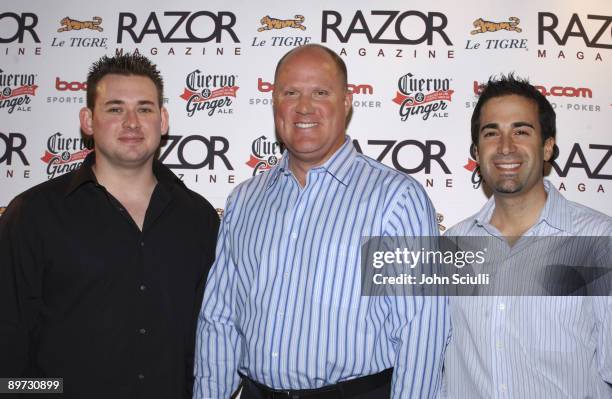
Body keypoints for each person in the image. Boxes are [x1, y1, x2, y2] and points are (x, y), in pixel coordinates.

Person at [193, 44, 449, 399]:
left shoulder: (396, 200)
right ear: (274, 103)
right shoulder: (244, 201)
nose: (304, 106)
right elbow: (219, 320)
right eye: (291, 92)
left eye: (320, 92)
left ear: (346, 102)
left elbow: (422, 328)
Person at [0, 54, 220, 399]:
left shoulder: (199, 218)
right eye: (115, 109)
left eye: (145, 109)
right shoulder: (33, 214)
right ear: (88, 120)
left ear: (163, 120)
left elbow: (209, 337)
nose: (132, 122)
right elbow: (7, 339)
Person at [442, 74, 612, 398]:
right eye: (492, 133)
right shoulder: (452, 246)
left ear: (547, 146)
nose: (506, 147)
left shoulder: (600, 241)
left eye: (521, 131)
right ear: (477, 151)